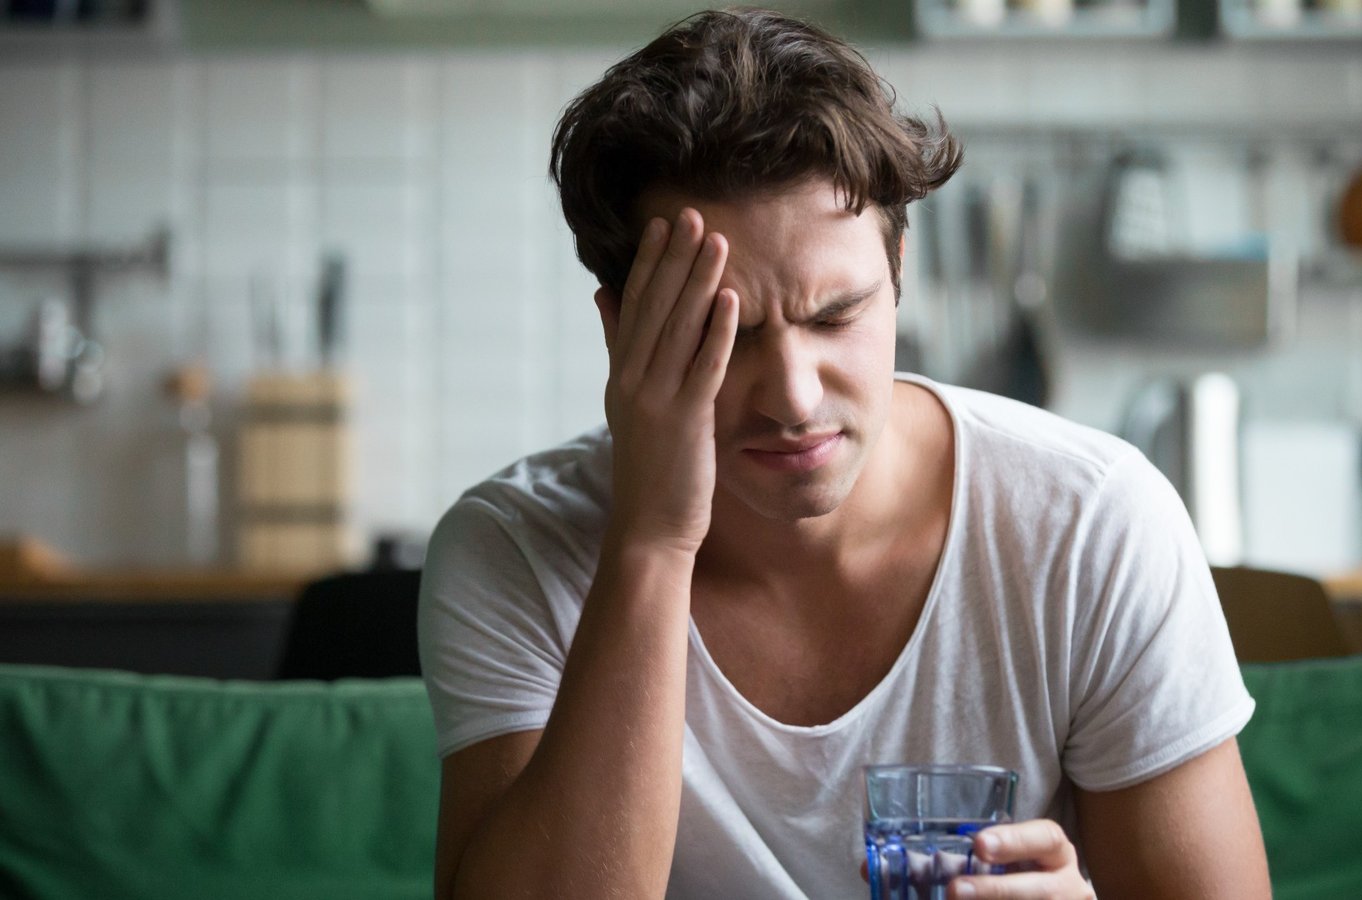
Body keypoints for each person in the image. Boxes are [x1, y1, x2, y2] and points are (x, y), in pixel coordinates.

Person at [418, 8, 1271, 899]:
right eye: (724, 333)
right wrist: (653, 540)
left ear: (897, 270)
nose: (792, 394)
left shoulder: (1093, 523)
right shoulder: (512, 549)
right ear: (621, 330)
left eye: (836, 317)